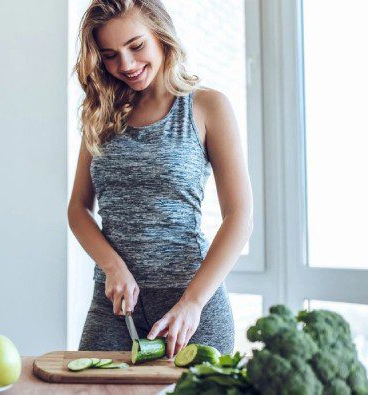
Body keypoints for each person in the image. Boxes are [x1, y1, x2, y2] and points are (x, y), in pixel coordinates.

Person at [68, 0, 253, 358]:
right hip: (115, 305)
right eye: (110, 55)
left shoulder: (206, 106)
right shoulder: (100, 114)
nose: (126, 65)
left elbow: (240, 217)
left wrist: (193, 302)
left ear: (161, 34)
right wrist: (111, 265)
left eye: (136, 46)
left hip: (191, 305)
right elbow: (77, 208)